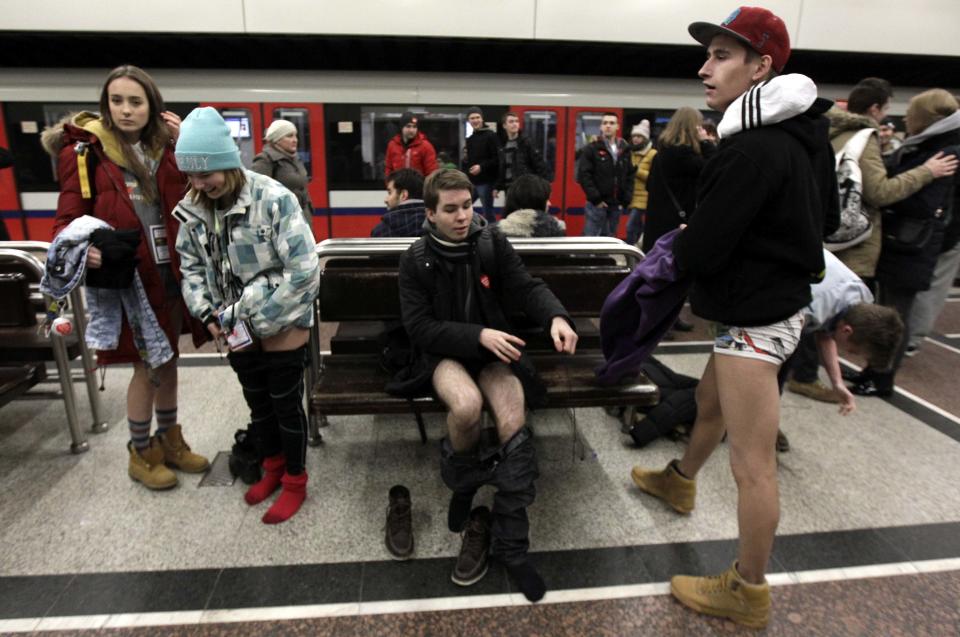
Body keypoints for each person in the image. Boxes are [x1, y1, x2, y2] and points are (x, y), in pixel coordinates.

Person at [630, 7, 834, 628]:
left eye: (721, 56)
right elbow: (821, 222)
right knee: (710, 403)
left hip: (754, 315)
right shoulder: (804, 137)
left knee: (753, 464)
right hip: (776, 305)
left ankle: (748, 589)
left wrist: (690, 239)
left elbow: (701, 250)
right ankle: (681, 479)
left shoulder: (749, 150)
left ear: (762, 66)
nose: (704, 67)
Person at [395, 168, 578, 601]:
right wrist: (476, 335)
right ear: (431, 213)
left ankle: (513, 547)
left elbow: (526, 286)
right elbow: (420, 327)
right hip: (444, 354)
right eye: (451, 209)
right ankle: (465, 487)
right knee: (465, 407)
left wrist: (555, 316)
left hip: (492, 353)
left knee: (514, 417)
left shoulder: (490, 242)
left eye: (468, 206)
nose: (462, 217)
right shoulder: (416, 258)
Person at [43, 65, 209, 490]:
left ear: (151, 105)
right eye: (117, 101)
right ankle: (141, 452)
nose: (126, 109)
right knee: (145, 368)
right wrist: (85, 250)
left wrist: (181, 143)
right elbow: (66, 221)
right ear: (106, 104)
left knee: (169, 361)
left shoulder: (164, 148)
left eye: (136, 101)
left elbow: (199, 193)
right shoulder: (85, 154)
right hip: (131, 278)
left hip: (171, 272)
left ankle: (170, 440)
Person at [173, 107, 320, 524]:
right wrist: (208, 315)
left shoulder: (273, 198)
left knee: (286, 407)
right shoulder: (193, 207)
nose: (200, 184)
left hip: (281, 320)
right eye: (192, 176)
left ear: (227, 161)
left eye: (208, 173)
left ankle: (295, 481)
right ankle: (271, 468)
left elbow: (305, 274)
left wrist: (257, 321)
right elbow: (192, 267)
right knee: (258, 406)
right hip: (231, 323)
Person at [790, 79, 956, 403]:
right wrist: (926, 172)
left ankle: (801, 375)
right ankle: (803, 377)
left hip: (826, 234)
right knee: (814, 322)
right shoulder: (866, 137)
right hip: (855, 239)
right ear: (876, 108)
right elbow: (879, 191)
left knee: (817, 316)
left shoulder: (830, 130)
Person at [854, 90, 960, 396]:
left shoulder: (943, 152)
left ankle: (881, 378)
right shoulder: (931, 147)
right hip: (906, 244)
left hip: (913, 245)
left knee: (896, 318)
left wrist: (901, 187)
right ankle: (874, 372)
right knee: (891, 313)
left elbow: (924, 205)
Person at [778, 249, 903, 415]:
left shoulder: (859, 300)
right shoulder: (810, 309)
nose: (848, 352)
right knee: (767, 369)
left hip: (788, 281)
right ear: (847, 330)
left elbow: (826, 333)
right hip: (761, 284)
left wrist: (837, 383)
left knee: (778, 373)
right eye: (853, 350)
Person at [642, 107, 714, 253]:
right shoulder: (685, 155)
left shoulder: (660, 154)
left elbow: (649, 185)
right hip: (676, 228)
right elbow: (714, 168)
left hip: (657, 227)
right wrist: (706, 143)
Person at [578, 112, 634, 237]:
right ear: (601, 127)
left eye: (612, 123)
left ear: (617, 127)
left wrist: (626, 199)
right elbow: (584, 175)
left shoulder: (625, 149)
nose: (608, 126)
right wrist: (596, 199)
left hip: (616, 204)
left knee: (609, 240)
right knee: (591, 240)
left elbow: (630, 175)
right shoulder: (592, 148)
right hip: (596, 205)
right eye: (605, 123)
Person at [252, 119, 314, 227]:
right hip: (282, 223)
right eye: (289, 136)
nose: (295, 140)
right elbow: (256, 194)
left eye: (296, 136)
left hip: (301, 220)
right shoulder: (265, 160)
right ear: (277, 139)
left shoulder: (295, 159)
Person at [494, 112, 548, 197]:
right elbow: (503, 168)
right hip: (509, 188)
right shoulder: (503, 144)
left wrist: (540, 186)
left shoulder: (526, 143)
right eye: (511, 122)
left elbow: (540, 166)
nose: (515, 124)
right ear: (504, 125)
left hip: (524, 187)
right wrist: (497, 187)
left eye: (516, 121)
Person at [462, 107, 500, 223]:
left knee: (487, 211)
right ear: (469, 121)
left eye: (477, 117)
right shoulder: (470, 139)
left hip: (486, 181)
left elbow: (497, 159)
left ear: (482, 119)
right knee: (463, 207)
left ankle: (493, 233)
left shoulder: (491, 136)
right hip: (472, 182)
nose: (475, 120)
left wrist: (481, 167)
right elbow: (470, 161)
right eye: (472, 118)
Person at [497, 174, 566, 237]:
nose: (549, 203)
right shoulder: (557, 229)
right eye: (547, 199)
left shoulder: (496, 231)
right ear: (536, 200)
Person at [625, 120, 657, 246]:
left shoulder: (653, 154)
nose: (636, 139)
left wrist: (637, 171)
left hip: (644, 197)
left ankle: (630, 250)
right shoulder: (630, 152)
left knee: (630, 226)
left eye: (639, 136)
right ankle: (637, 251)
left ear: (645, 138)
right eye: (634, 136)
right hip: (631, 196)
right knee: (637, 228)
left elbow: (654, 177)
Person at [371, 168, 426, 238]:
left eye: (390, 192)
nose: (385, 200)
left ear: (403, 195)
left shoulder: (381, 232)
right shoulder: (437, 226)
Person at [384, 111, 438, 178]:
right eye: (408, 126)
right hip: (398, 187)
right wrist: (389, 185)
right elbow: (388, 169)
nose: (411, 130)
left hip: (418, 187)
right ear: (401, 127)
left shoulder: (426, 146)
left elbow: (431, 172)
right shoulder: (392, 145)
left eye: (414, 127)